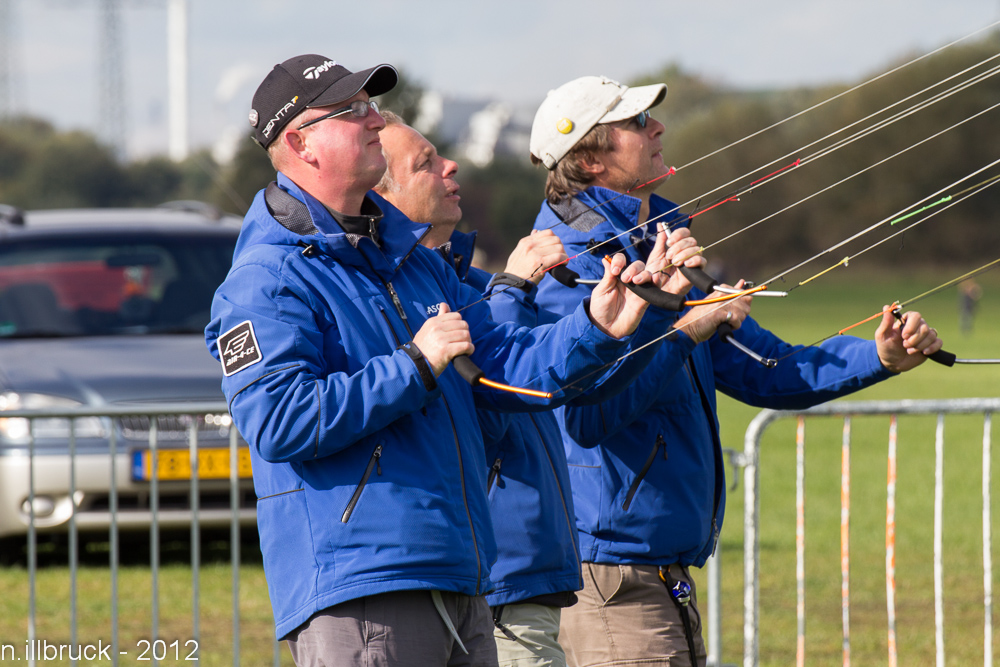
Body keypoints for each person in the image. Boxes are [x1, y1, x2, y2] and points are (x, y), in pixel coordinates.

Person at [205, 55, 671, 667]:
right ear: (301, 143)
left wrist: (594, 328)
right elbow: (279, 420)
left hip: (461, 572)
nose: (374, 121)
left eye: (371, 106)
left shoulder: (412, 259)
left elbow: (500, 363)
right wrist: (415, 366)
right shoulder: (266, 279)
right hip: (366, 588)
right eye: (352, 111)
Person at [527, 75, 944, 667]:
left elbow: (768, 369)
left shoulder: (665, 239)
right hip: (612, 576)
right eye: (637, 122)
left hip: (663, 571)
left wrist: (880, 356)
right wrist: (684, 327)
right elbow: (587, 415)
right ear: (590, 159)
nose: (658, 127)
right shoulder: (564, 267)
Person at [373, 110, 707, 667]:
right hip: (511, 574)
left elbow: (555, 370)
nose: (451, 164)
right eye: (426, 163)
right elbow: (523, 388)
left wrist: (634, 317)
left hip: (532, 576)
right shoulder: (478, 286)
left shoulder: (468, 282)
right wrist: (516, 287)